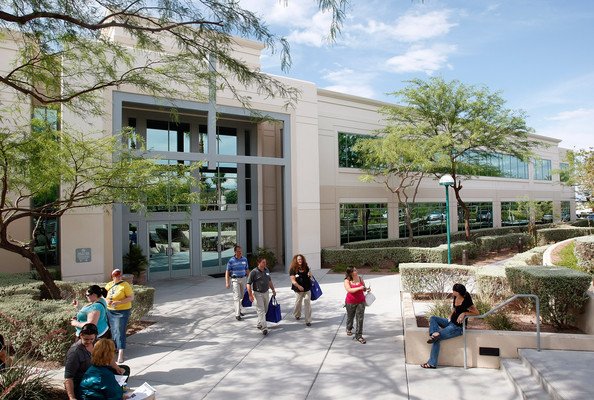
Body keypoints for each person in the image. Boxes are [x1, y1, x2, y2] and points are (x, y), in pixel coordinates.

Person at [421, 283, 479, 369]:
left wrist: (464, 313)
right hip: (450, 322)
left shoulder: (466, 298)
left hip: (457, 328)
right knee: (433, 318)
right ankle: (434, 333)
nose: (452, 292)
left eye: (454, 291)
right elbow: (455, 308)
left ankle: (432, 363)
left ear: (458, 292)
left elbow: (477, 312)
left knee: (436, 339)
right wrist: (450, 315)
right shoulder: (455, 296)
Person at [105, 269, 134, 363]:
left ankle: (121, 352)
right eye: (116, 275)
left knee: (119, 329)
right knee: (113, 330)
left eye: (119, 275)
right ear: (112, 276)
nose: (118, 277)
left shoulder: (125, 285)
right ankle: (115, 348)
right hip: (110, 311)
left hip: (122, 311)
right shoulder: (109, 285)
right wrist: (107, 301)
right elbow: (103, 296)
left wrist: (119, 302)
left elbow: (131, 297)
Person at [247, 256, 276, 336]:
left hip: (266, 292)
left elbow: (269, 281)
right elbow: (248, 284)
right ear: (259, 263)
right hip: (257, 294)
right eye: (263, 262)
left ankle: (260, 323)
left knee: (265, 309)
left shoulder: (267, 270)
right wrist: (250, 295)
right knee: (261, 310)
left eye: (265, 262)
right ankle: (264, 328)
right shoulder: (254, 272)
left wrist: (273, 290)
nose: (265, 263)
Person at [344, 266, 369, 344]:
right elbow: (349, 290)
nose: (356, 271)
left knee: (360, 319)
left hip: (361, 301)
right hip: (350, 302)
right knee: (350, 316)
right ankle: (349, 328)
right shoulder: (347, 280)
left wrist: (366, 289)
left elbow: (363, 288)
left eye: (356, 269)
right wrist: (359, 288)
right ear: (351, 273)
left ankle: (359, 336)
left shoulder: (360, 278)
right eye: (354, 270)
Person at [225, 245, 249, 321]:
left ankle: (239, 310)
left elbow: (247, 270)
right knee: (236, 296)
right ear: (235, 252)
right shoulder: (231, 260)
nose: (240, 252)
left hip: (243, 279)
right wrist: (227, 282)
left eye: (241, 251)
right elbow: (227, 272)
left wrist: (250, 280)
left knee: (242, 296)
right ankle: (237, 314)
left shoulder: (244, 259)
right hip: (235, 280)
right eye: (238, 251)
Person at [289, 254, 312, 326]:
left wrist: (310, 274)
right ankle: (297, 314)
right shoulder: (293, 269)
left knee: (307, 302)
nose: (300, 260)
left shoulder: (306, 267)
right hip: (298, 289)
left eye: (301, 259)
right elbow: (293, 280)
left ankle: (308, 320)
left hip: (307, 288)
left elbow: (310, 276)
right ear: (296, 260)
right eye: (299, 259)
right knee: (298, 302)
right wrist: (298, 286)